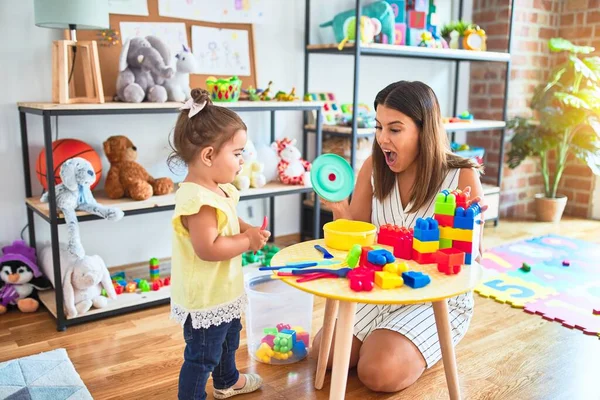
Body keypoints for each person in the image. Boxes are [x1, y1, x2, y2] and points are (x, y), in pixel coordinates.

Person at [312, 80, 487, 393]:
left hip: (434, 297)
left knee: (378, 372)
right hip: (382, 286)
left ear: (424, 130)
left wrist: (472, 222)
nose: (382, 139)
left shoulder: (460, 174)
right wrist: (339, 207)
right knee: (323, 353)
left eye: (394, 129)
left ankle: (419, 347)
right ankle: (387, 341)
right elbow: (357, 239)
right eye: (378, 127)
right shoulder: (373, 168)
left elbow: (471, 258)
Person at [169, 89, 268, 399]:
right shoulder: (198, 201)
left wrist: (247, 228)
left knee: (228, 340)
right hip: (206, 297)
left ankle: (227, 381)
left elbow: (230, 219)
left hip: (223, 290)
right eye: (237, 153)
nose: (242, 160)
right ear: (209, 155)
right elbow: (208, 248)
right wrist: (247, 241)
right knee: (201, 357)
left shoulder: (219, 190)